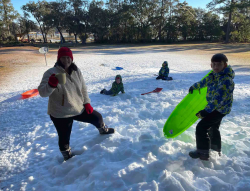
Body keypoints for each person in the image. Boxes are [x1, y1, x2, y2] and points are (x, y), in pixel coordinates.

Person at [38, 47, 115, 161]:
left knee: (97, 117)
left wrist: (87, 103)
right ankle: (67, 155)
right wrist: (51, 85)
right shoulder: (50, 73)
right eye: (63, 57)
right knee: (64, 137)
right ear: (59, 58)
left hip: (77, 107)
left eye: (68, 57)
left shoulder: (76, 71)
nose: (66, 60)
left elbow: (83, 88)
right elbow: (42, 92)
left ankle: (103, 129)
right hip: (60, 112)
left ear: (71, 58)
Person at [188, 53, 235, 160]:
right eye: (213, 64)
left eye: (219, 64)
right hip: (216, 108)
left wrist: (206, 111)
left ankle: (203, 153)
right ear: (211, 65)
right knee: (213, 127)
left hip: (220, 109)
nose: (216, 67)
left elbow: (218, 99)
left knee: (201, 127)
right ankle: (215, 148)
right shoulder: (213, 75)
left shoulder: (226, 80)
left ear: (225, 65)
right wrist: (194, 86)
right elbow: (204, 82)